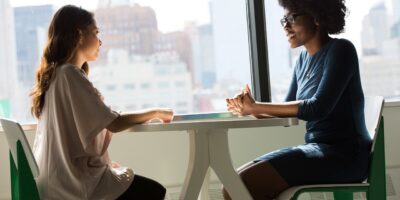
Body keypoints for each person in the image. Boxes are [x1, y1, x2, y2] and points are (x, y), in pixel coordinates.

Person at [224, 0, 371, 199]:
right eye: (284, 19)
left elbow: (318, 108)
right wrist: (248, 108)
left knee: (240, 189)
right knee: (232, 187)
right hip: (316, 149)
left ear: (316, 17)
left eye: (292, 18)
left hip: (345, 155)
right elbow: (287, 116)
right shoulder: (302, 61)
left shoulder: (341, 50)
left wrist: (255, 107)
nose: (285, 26)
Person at [30, 5, 173, 200]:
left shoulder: (56, 75)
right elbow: (114, 123)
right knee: (155, 191)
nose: (100, 41)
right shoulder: (69, 74)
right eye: (96, 33)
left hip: (55, 182)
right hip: (73, 185)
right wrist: (156, 112)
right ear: (80, 35)